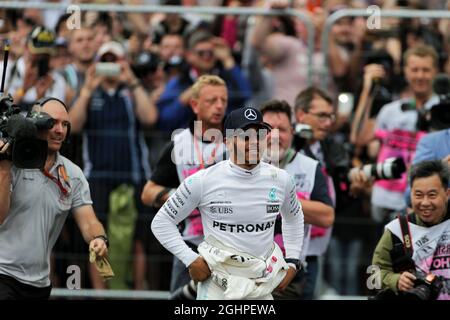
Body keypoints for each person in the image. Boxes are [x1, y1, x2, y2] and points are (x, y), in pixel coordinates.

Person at [151, 106, 304, 300]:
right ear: (227, 141)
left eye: (260, 135)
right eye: (245, 136)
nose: (254, 142)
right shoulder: (203, 180)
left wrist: (292, 261)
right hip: (216, 287)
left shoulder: (281, 179)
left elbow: (294, 217)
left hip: (261, 286)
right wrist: (191, 259)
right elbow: (161, 222)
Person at [69, 40, 158, 290]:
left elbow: (150, 117)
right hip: (96, 177)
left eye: (115, 60)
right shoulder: (89, 92)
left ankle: (138, 292)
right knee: (98, 239)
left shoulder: (131, 93)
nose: (110, 66)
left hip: (134, 175)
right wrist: (87, 88)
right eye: (105, 61)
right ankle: (101, 294)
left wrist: (131, 79)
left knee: (137, 240)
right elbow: (73, 127)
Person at [0, 98, 108, 300]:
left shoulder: (73, 174)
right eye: (52, 123)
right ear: (34, 122)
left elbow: (89, 222)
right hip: (2, 275)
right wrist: (4, 168)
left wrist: (99, 239)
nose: (60, 130)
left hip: (39, 284)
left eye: (65, 124)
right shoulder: (10, 162)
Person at [141, 75, 228, 297]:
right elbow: (147, 193)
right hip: (189, 245)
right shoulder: (179, 144)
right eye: (211, 100)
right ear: (195, 105)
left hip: (229, 246)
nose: (219, 106)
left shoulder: (237, 143)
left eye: (223, 100)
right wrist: (180, 198)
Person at [352, 45, 439, 225]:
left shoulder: (443, 111)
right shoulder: (391, 110)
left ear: (435, 72)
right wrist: (368, 91)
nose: (420, 75)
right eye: (415, 69)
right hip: (383, 200)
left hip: (424, 203)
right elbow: (358, 138)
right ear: (405, 71)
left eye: (426, 70)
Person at [261, 99, 334, 299]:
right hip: (247, 269)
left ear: (292, 133)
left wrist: (279, 198)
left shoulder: (310, 167)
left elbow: (327, 217)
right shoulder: (241, 164)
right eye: (268, 129)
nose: (275, 136)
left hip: (291, 272)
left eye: (282, 129)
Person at [372, 160, 450, 300]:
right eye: (418, 195)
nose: (425, 203)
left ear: (447, 194)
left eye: (432, 195)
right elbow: (374, 275)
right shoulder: (398, 230)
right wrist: (396, 280)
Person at [155, 29, 251, 133]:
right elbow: (165, 120)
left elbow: (245, 95)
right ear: (189, 55)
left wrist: (227, 59)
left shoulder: (226, 76)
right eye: (201, 53)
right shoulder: (180, 81)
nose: (206, 57)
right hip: (187, 141)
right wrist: (184, 99)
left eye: (210, 53)